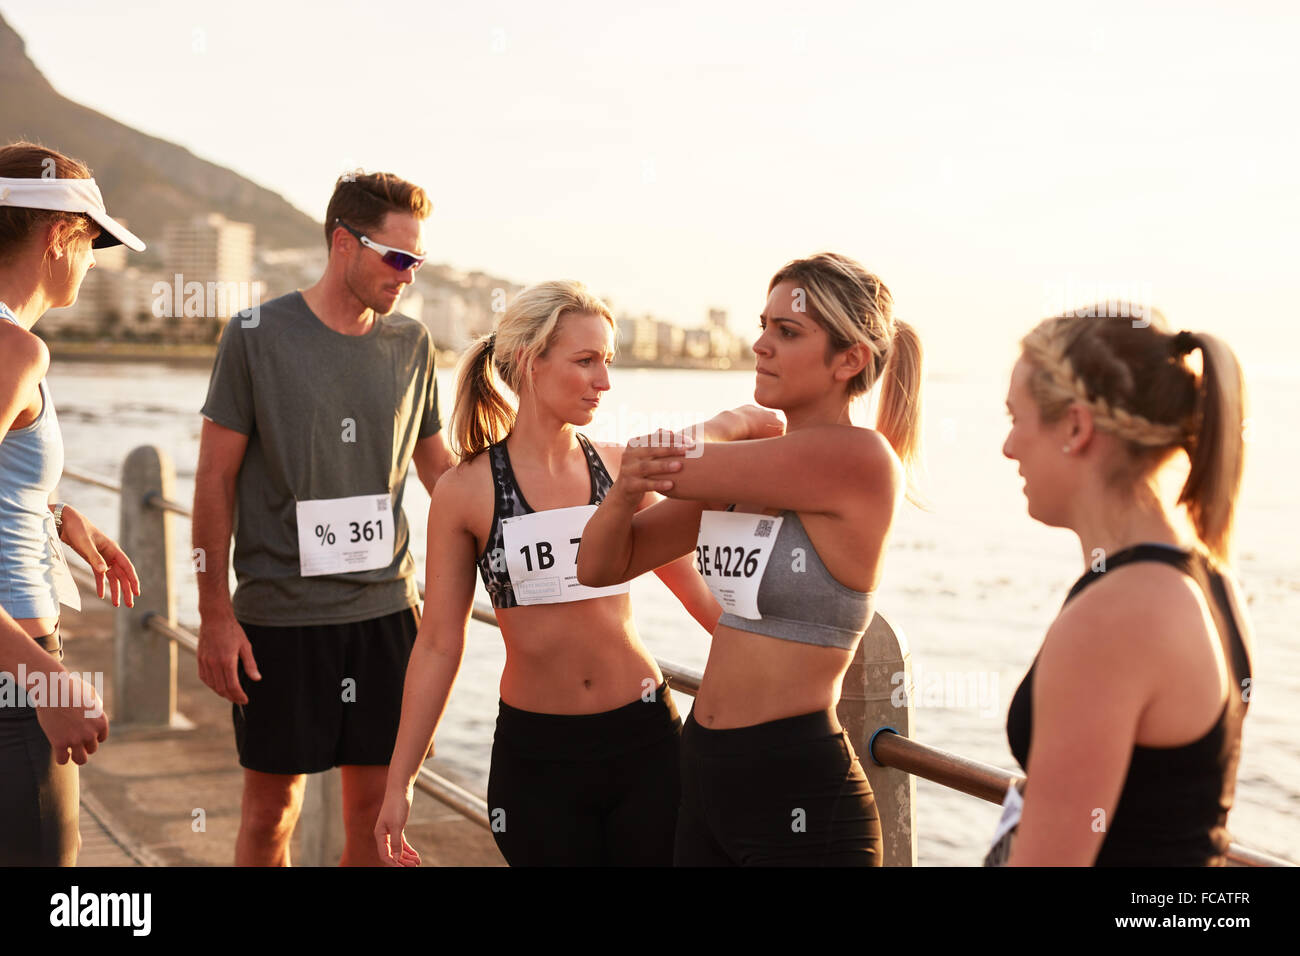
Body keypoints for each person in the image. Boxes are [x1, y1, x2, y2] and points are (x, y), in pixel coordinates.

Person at [375, 280, 781, 866]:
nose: (604, 381)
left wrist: (795, 678)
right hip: (537, 759)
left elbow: (702, 598)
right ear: (527, 362)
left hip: (647, 742)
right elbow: (439, 642)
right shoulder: (465, 492)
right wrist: (401, 780)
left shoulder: (618, 470)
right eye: (586, 360)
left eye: (607, 361)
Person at [577, 252, 923, 866]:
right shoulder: (754, 465)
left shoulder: (860, 459)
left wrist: (727, 422)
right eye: (763, 325)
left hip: (797, 792)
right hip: (705, 775)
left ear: (850, 360)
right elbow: (602, 566)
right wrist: (626, 491)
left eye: (786, 332)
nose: (759, 345)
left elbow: (659, 460)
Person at [194, 169, 455, 866]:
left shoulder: (413, 344)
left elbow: (442, 474)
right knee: (268, 820)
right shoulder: (255, 335)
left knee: (374, 821)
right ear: (344, 243)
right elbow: (214, 480)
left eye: (417, 261)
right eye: (397, 258)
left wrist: (527, 511)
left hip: (384, 617)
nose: (408, 275)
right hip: (279, 621)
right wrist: (215, 615)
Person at [998, 307, 1254, 866]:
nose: (1008, 447)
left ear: (1075, 427)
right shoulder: (1211, 580)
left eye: (1017, 419)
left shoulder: (1119, 615)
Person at [0, 141, 143, 865]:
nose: (93, 261)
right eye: (91, 242)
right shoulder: (15, 351)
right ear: (59, 235)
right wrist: (41, 676)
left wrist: (53, 516)